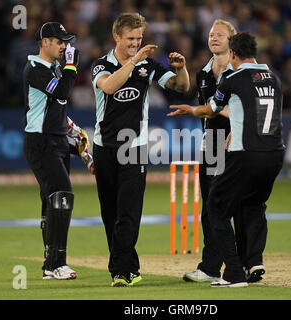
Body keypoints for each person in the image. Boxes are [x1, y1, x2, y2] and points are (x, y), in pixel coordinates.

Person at [168, 32, 285, 287]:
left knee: (216, 208)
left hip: (245, 154)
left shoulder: (232, 78)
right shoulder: (274, 78)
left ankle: (232, 272)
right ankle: (251, 260)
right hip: (275, 153)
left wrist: (191, 110)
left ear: (232, 53)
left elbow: (211, 109)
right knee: (253, 205)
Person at [90, 12, 190, 287]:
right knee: (110, 213)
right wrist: (134, 61)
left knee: (129, 212)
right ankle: (128, 266)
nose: (136, 43)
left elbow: (181, 87)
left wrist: (181, 68)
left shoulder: (148, 66)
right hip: (104, 146)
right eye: (131, 38)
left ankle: (120, 271)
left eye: (139, 38)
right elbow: (110, 87)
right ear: (116, 37)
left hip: (134, 148)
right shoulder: (101, 65)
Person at [23, 22, 92, 280]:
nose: (64, 46)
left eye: (65, 41)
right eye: (60, 41)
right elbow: (63, 91)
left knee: (52, 199)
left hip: (57, 138)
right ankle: (56, 263)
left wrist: (71, 129)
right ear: (45, 42)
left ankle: (50, 266)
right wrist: (72, 67)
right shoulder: (35, 69)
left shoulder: (52, 68)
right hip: (41, 141)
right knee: (62, 195)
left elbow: (57, 106)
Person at [182, 19, 236, 283]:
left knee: (240, 206)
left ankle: (244, 263)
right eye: (211, 34)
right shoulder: (203, 73)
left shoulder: (239, 71)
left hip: (237, 144)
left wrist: (234, 126)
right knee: (211, 207)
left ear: (231, 41)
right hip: (213, 145)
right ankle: (211, 267)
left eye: (220, 35)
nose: (214, 38)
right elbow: (206, 111)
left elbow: (247, 108)